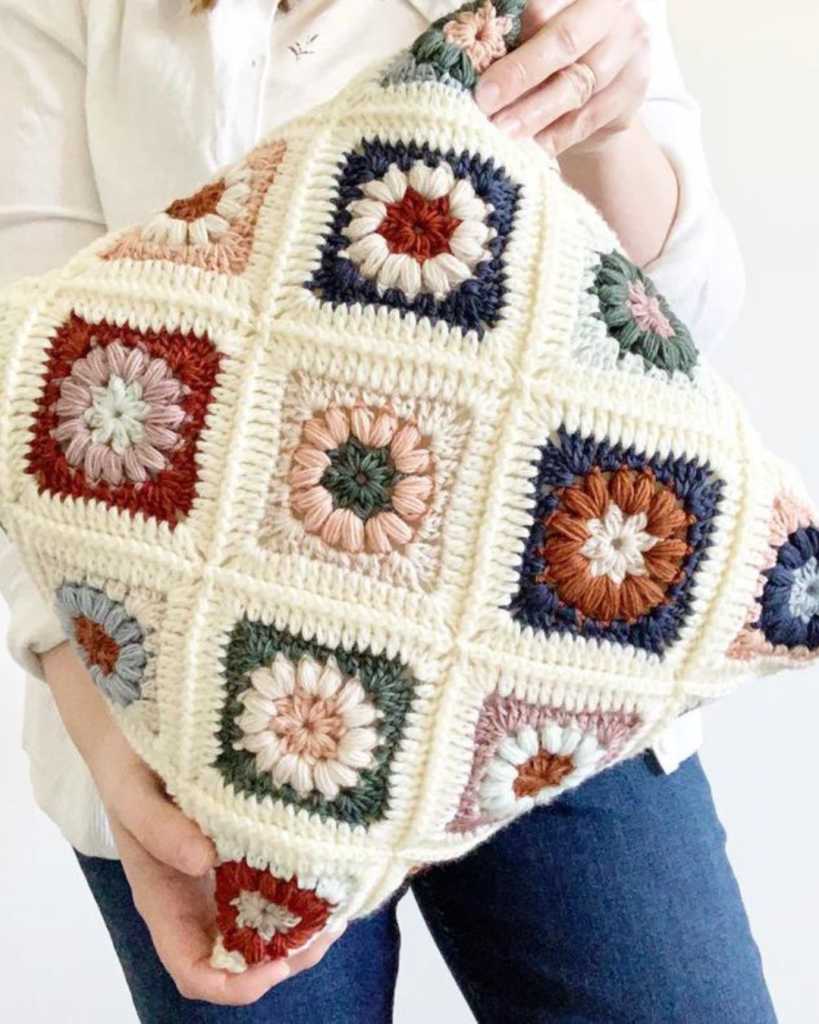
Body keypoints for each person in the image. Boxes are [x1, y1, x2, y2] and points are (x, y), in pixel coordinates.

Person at [0, 0, 777, 1020]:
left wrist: (615, 130)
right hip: (192, 719)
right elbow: (29, 390)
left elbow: (685, 305)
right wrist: (112, 751)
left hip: (555, 666)